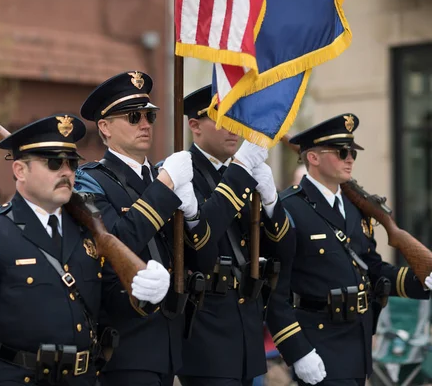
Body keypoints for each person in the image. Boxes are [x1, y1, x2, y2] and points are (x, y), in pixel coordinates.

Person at [0, 115, 172, 386]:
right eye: (54, 163)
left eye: (71, 163)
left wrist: (143, 292)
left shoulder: (89, 231)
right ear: (20, 171)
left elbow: (106, 305)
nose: (66, 172)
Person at [268, 114, 432, 386]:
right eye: (341, 152)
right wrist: (298, 352)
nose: (350, 159)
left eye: (352, 152)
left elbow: (373, 270)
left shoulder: (356, 209)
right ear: (313, 158)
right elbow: (275, 294)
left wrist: (421, 281)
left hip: (358, 345)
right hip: (317, 345)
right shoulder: (289, 209)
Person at [74, 70, 209, 386]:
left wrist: (193, 217)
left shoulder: (163, 178)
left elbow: (196, 257)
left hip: (172, 341)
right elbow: (115, 242)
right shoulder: (90, 180)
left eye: (149, 115)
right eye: (134, 117)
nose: (145, 124)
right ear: (105, 128)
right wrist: (164, 187)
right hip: (127, 344)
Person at [177, 86, 294, 386]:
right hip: (205, 333)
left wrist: (271, 203)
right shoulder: (181, 174)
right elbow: (199, 245)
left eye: (236, 119)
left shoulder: (245, 178)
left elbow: (285, 250)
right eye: (222, 118)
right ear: (194, 126)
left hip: (248, 329)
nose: (233, 129)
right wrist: (240, 172)